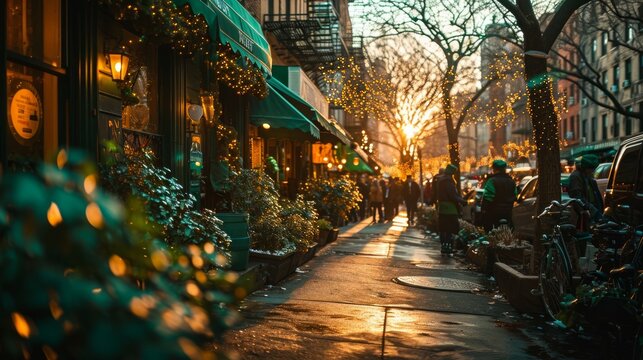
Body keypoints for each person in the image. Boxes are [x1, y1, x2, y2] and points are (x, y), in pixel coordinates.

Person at [435, 164, 466, 255]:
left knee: (443, 228)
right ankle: (448, 246)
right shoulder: (448, 181)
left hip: (442, 207)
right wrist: (462, 201)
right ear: (451, 173)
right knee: (449, 228)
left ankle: (444, 246)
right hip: (450, 208)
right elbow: (452, 195)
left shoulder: (441, 180)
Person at [481, 159, 517, 232]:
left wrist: (484, 209)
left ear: (494, 169)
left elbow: (488, 197)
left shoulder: (492, 181)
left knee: (490, 229)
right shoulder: (511, 181)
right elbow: (515, 195)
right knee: (509, 230)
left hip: (494, 212)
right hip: (508, 211)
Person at [569, 154, 603, 222]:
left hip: (592, 208)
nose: (593, 171)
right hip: (586, 210)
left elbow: (595, 193)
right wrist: (591, 209)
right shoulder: (576, 176)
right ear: (585, 168)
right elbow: (577, 196)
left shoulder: (588, 176)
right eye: (591, 168)